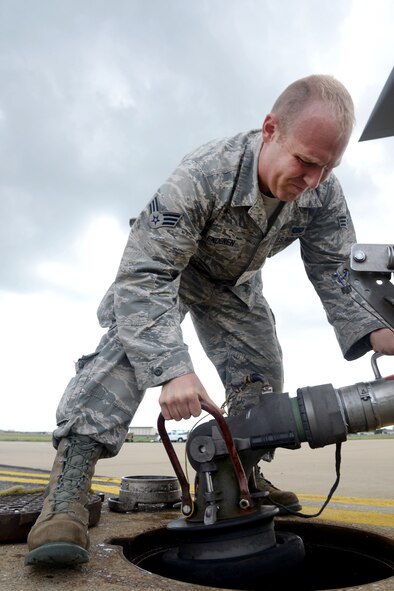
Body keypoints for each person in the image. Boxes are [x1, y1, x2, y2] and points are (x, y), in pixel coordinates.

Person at [25, 74, 394, 567]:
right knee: (125, 358)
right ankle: (66, 496)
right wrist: (173, 369)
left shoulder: (322, 192)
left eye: (328, 167)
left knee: (262, 377)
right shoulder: (203, 174)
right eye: (305, 162)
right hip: (169, 273)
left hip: (234, 285)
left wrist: (378, 330)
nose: (313, 181)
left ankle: (237, 478)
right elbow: (145, 274)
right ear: (270, 130)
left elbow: (334, 268)